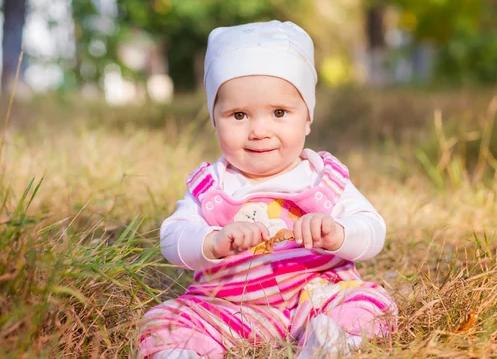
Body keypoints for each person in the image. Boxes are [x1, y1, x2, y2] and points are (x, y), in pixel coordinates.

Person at [138, 20, 397, 359]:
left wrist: (339, 234)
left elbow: (373, 229)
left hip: (316, 295)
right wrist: (211, 241)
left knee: (369, 303)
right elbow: (172, 237)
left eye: (279, 112)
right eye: (239, 115)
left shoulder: (321, 178)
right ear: (215, 120)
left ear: (307, 118)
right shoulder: (213, 184)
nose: (259, 130)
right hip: (231, 306)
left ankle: (331, 344)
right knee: (164, 322)